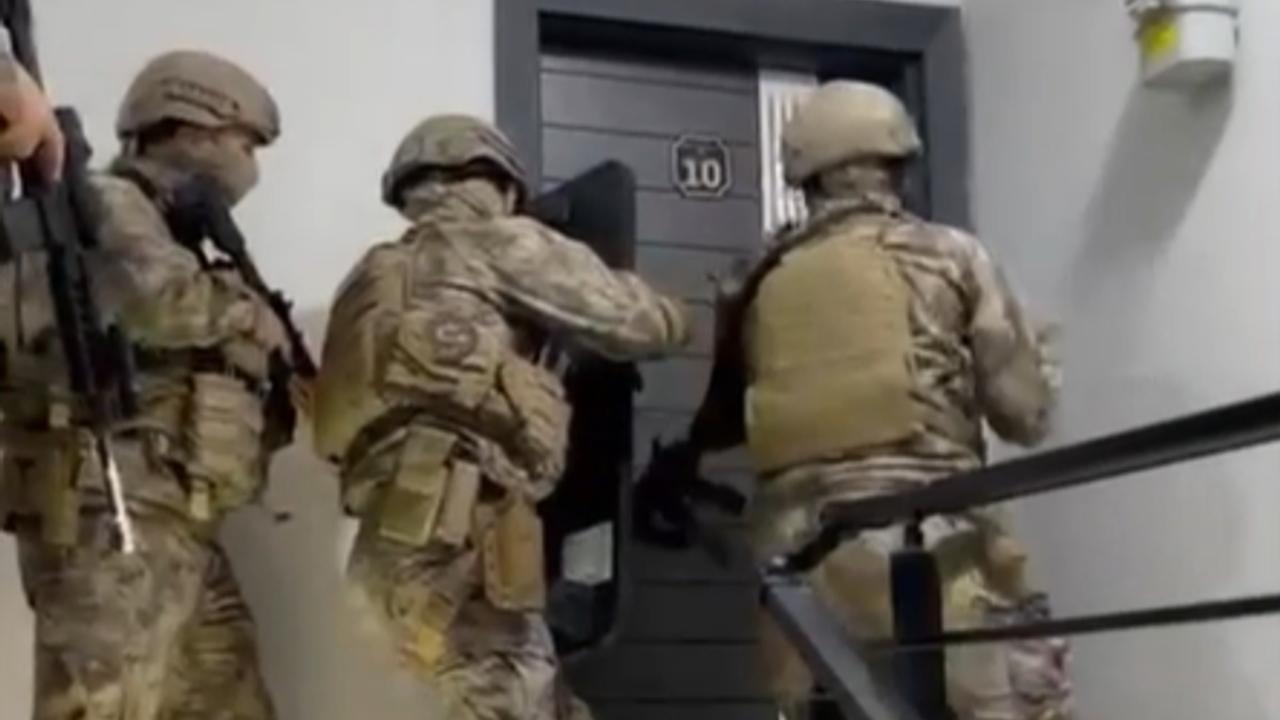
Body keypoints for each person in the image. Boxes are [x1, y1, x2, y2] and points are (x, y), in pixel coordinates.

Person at [661, 80, 1071, 720]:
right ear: (898, 164)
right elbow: (1024, 415)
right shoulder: (950, 254)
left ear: (806, 177)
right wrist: (1041, 361)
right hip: (935, 549)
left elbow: (724, 423)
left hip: (803, 573)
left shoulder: (760, 282)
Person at [310, 113, 691, 720]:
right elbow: (638, 322)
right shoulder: (498, 242)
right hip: (459, 538)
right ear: (500, 183)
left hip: (382, 551)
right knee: (511, 701)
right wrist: (685, 314)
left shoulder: (369, 277)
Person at [0, 49, 299, 720]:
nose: (249, 164)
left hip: (176, 524)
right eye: (244, 143)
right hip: (111, 517)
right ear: (190, 126)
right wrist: (250, 315)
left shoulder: (172, 229)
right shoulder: (107, 202)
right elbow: (157, 298)